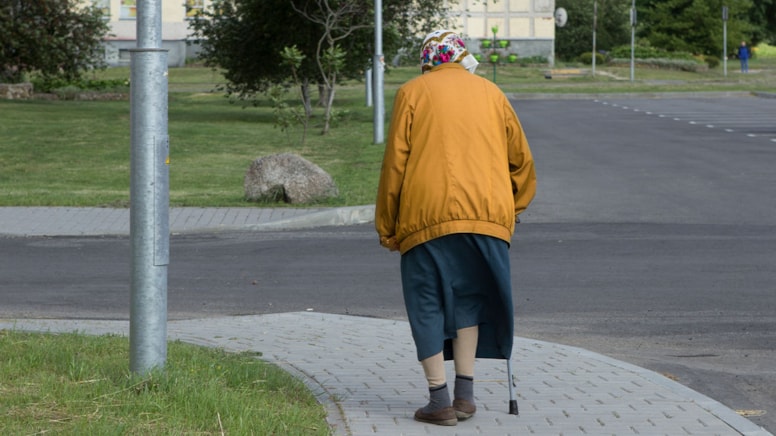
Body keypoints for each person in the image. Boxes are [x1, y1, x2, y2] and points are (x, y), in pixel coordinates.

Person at [374, 29, 537, 426]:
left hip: (426, 217)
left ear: (427, 61)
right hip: (488, 217)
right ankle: (465, 397)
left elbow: (396, 165)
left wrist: (387, 226)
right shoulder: (492, 93)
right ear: (462, 57)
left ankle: (438, 401)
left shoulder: (412, 93)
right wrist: (511, 207)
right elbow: (522, 161)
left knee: (426, 301)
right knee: (469, 301)